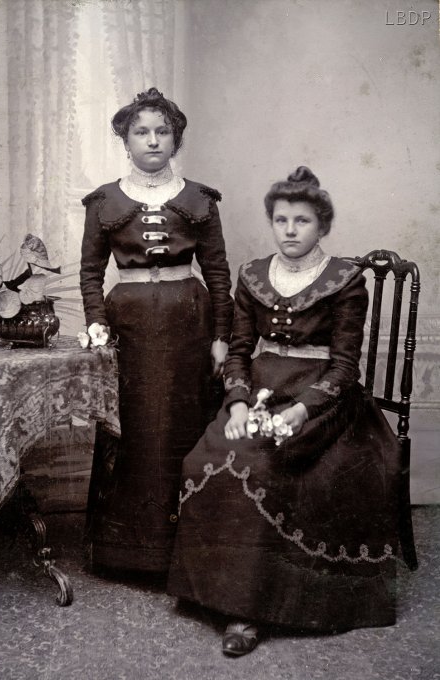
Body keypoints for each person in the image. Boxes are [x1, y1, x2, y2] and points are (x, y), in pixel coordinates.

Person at [167, 166, 401, 655]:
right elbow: (238, 351)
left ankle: (249, 611)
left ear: (323, 226)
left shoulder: (345, 280)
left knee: (266, 468)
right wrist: (236, 402)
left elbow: (344, 367)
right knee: (203, 459)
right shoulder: (253, 275)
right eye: (281, 220)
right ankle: (218, 590)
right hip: (259, 389)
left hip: (323, 400)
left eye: (302, 221)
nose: (290, 230)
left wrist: (303, 411)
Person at [80, 87, 233, 574]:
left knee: (183, 424)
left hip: (189, 323)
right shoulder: (103, 201)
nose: (152, 141)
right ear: (126, 141)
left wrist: (221, 336)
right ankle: (122, 550)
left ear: (175, 140)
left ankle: (184, 550)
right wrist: (97, 324)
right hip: (128, 327)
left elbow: (218, 273)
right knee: (134, 425)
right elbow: (90, 273)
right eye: (141, 132)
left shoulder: (199, 199)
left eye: (162, 132)